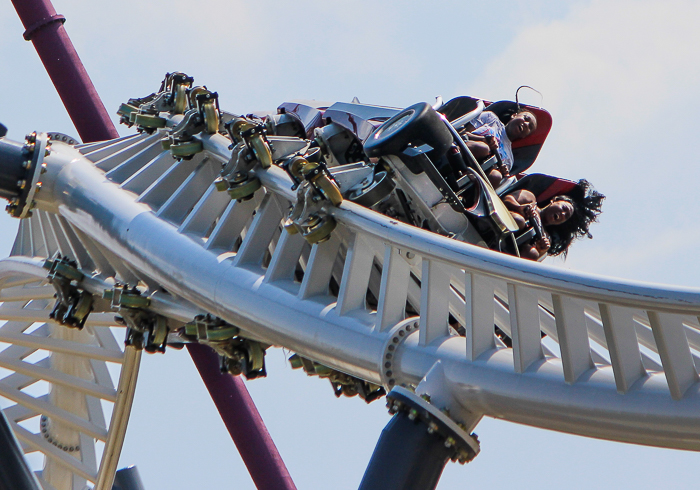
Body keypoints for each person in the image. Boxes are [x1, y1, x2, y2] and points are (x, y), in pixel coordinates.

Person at [502, 179, 605, 260]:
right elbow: (507, 199)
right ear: (554, 200)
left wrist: (541, 249)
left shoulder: (544, 236)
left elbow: (537, 257)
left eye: (566, 216)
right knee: (519, 221)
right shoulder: (530, 199)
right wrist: (520, 208)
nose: (562, 214)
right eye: (563, 208)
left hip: (510, 249)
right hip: (499, 222)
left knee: (532, 253)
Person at [463, 111, 537, 187]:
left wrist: (501, 170)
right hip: (463, 150)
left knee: (496, 176)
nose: (526, 124)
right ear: (514, 115)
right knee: (483, 148)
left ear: (524, 136)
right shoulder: (490, 118)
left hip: (478, 173)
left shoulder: (509, 159)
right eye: (525, 118)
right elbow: (464, 133)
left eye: (530, 127)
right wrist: (483, 139)